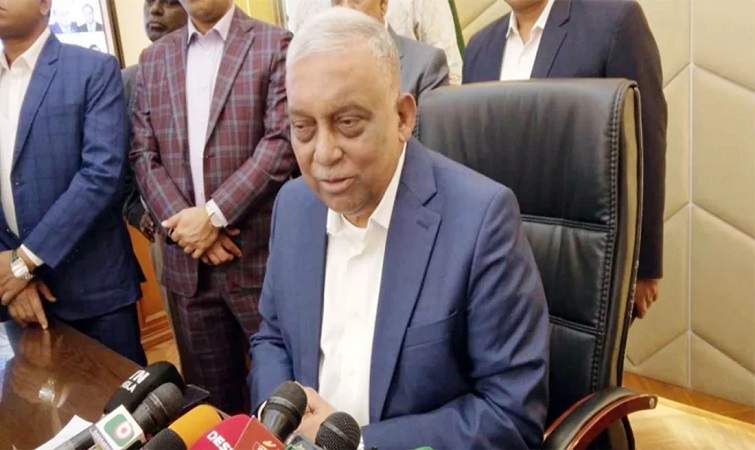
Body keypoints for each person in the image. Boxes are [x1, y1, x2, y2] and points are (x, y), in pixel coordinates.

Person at [250, 8, 549, 449]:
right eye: (303, 128)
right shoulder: (293, 207)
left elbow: (509, 415)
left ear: (403, 117)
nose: (323, 153)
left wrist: (355, 443)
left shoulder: (483, 221)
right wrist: (278, 417)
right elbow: (272, 338)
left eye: (347, 123)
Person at [130, 0, 296, 414]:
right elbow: (143, 155)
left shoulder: (275, 44)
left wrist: (213, 215)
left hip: (258, 261)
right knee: (212, 409)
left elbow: (280, 142)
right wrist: (187, 229)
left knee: (283, 400)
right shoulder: (153, 59)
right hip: (189, 269)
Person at [463, 0, 667, 318]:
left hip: (583, 263)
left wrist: (643, 266)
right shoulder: (478, 48)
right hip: (498, 261)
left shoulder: (616, 23)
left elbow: (646, 142)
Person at [0, 0, 146, 364]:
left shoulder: (92, 69)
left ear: (44, 4)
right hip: (19, 297)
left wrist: (23, 262)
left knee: (120, 399)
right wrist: (9, 271)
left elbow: (101, 175)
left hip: (95, 293)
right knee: (35, 399)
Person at [122, 0, 188, 338]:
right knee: (191, 349)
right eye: (149, 2)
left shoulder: (231, 66)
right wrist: (136, 211)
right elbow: (120, 166)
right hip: (167, 239)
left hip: (235, 232)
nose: (155, 12)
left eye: (170, 2)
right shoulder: (128, 82)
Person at [286, 0, 463, 85]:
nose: (345, 10)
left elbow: (451, 75)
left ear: (384, 4)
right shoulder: (305, 6)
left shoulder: (425, 62)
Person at [332, 1, 448, 109]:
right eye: (337, 1)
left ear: (383, 4)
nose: (344, 9)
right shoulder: (325, 66)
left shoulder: (426, 65)